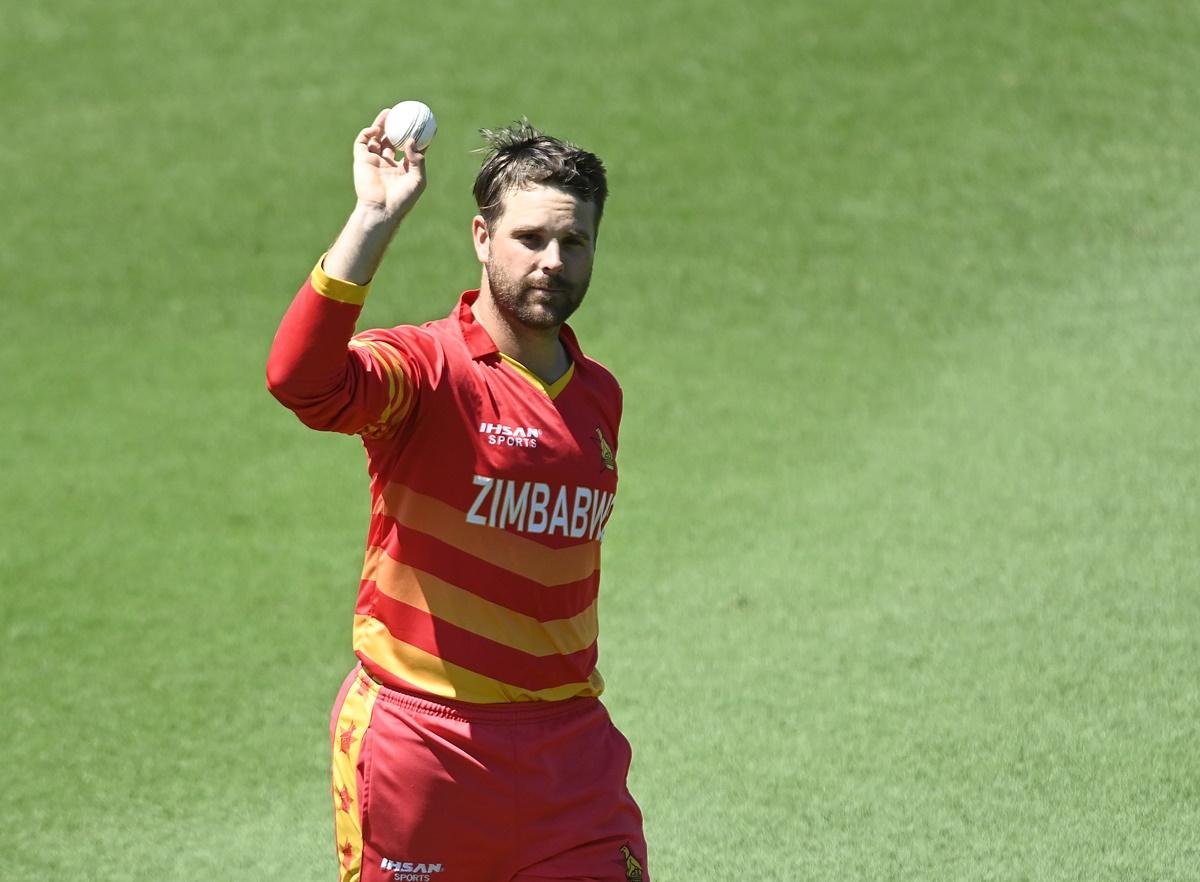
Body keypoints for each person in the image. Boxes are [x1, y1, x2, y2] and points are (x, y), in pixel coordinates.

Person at [266, 108, 649, 882]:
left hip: (571, 758)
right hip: (425, 749)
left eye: (574, 243)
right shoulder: (425, 370)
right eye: (531, 238)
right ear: (482, 238)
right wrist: (373, 218)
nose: (552, 261)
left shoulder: (598, 396)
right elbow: (300, 381)